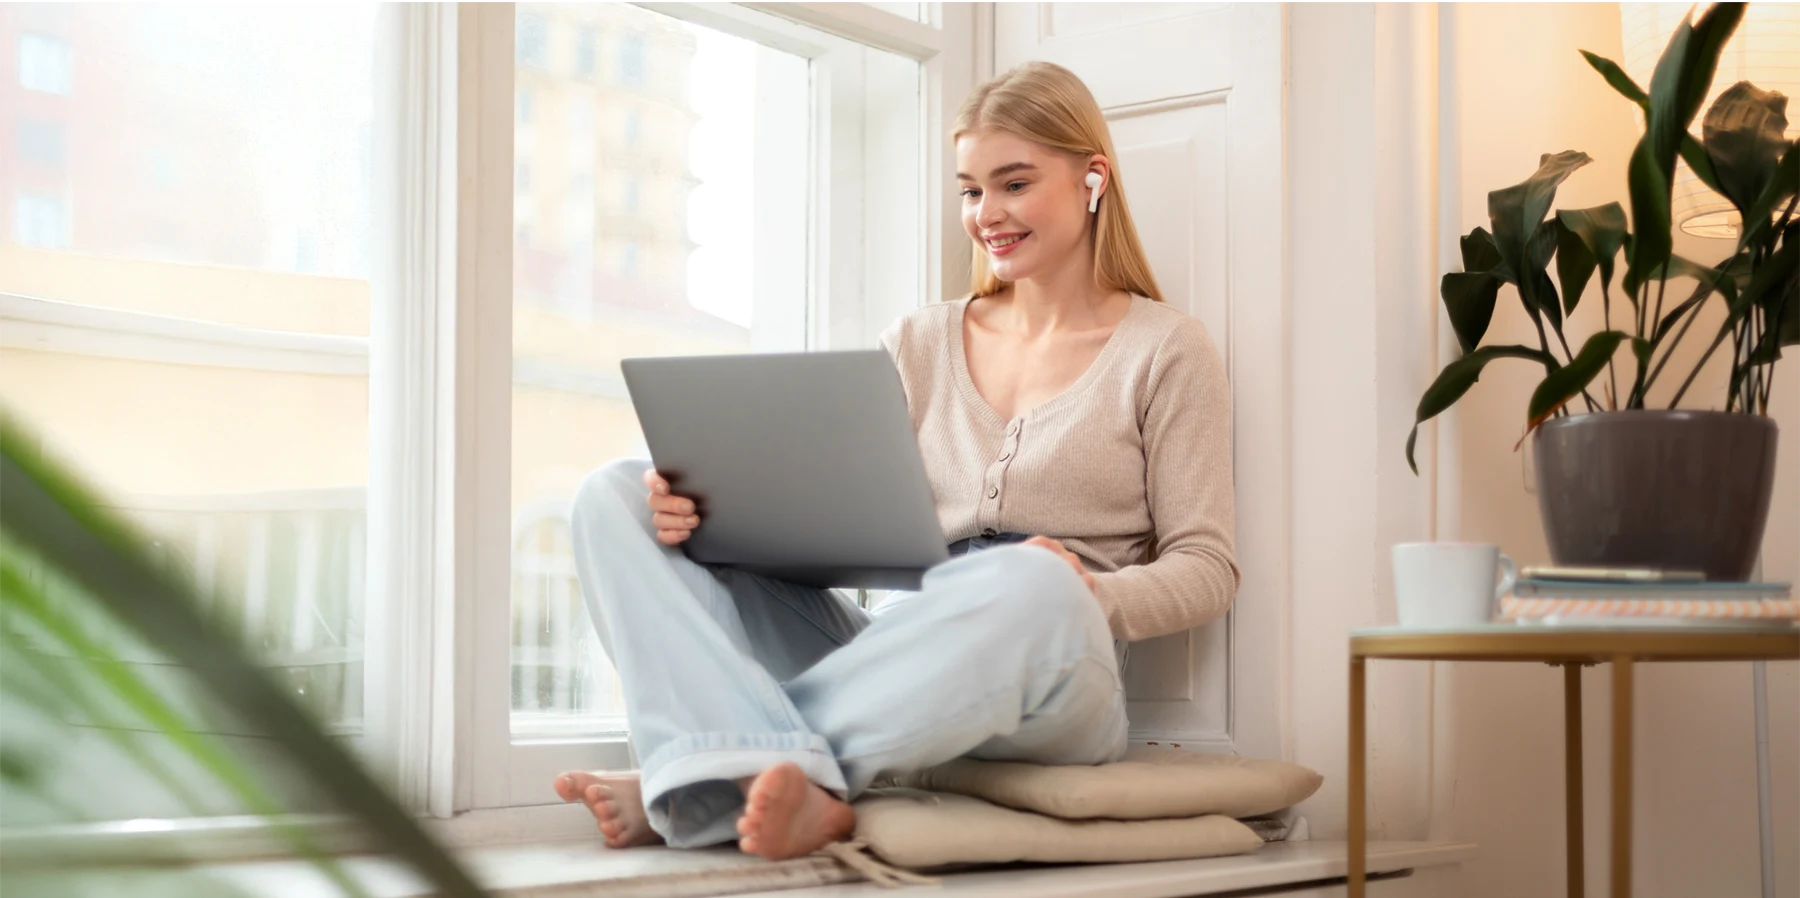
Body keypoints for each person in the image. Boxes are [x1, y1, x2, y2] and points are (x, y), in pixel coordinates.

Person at [552, 60, 1238, 861]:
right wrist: (709, 517)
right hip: (892, 649)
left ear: (1093, 179)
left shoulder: (1167, 349)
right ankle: (743, 776)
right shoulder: (919, 341)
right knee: (615, 496)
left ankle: (700, 777)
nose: (987, 214)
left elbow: (1208, 567)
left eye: (1013, 184)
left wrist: (1089, 592)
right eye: (971, 190)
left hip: (1056, 669)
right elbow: (824, 526)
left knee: (1026, 579)